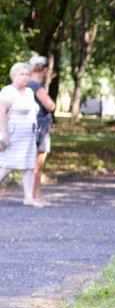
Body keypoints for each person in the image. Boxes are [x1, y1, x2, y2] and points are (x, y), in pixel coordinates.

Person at [0, 62, 41, 206]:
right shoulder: (8, 91)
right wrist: (4, 133)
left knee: (29, 166)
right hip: (13, 135)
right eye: (21, 74)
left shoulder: (29, 92)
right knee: (7, 166)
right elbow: (1, 113)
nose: (25, 77)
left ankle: (28, 198)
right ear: (13, 76)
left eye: (27, 74)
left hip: (29, 136)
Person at [27, 55, 55, 204]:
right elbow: (49, 105)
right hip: (41, 125)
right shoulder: (36, 86)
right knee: (38, 164)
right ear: (42, 69)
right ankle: (35, 196)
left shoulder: (25, 85)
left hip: (30, 125)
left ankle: (31, 195)